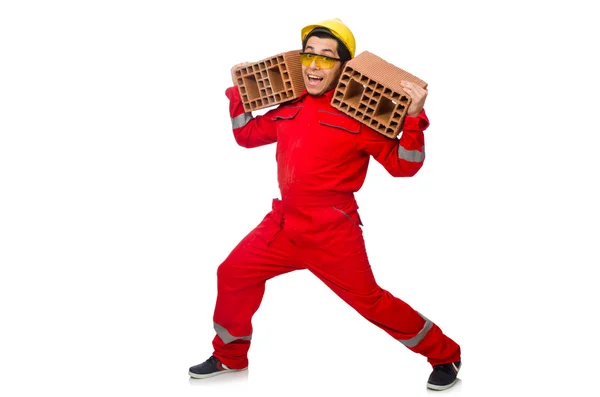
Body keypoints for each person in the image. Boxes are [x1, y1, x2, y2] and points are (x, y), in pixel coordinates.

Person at [189, 18, 462, 391]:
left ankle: (444, 354)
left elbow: (405, 166)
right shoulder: (292, 106)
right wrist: (240, 92)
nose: (315, 64)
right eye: (309, 54)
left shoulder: (362, 113)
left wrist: (413, 118)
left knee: (372, 303)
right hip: (283, 225)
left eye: (327, 57)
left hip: (332, 232)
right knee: (233, 274)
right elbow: (247, 136)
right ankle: (230, 357)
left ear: (344, 67)